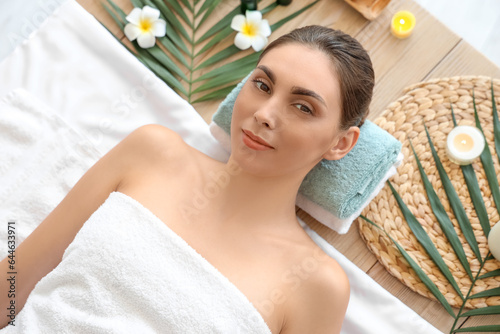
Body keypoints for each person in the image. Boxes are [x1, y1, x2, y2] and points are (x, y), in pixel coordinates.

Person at [0, 25, 374, 333]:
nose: (265, 113)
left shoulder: (315, 284)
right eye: (262, 84)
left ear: (341, 143)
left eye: (303, 107)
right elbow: (14, 283)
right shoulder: (153, 153)